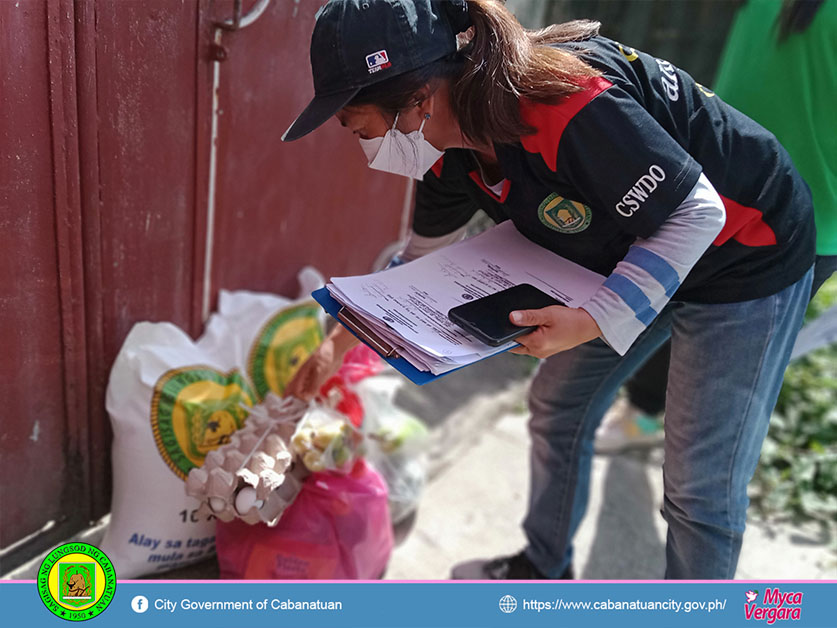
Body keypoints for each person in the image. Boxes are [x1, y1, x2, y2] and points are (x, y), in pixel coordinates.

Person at [282, 0, 815, 579]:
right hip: (637, 247)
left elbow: (694, 213)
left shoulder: (561, 102)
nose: (365, 147)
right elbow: (421, 260)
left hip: (745, 249)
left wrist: (593, 319)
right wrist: (336, 344)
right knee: (557, 407)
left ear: (419, 99)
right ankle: (542, 566)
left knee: (699, 488)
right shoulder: (443, 152)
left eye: (363, 127)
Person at [594, 0, 837, 454]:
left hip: (801, 222)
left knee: (721, 386)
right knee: (663, 306)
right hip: (715, 185)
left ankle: (683, 455)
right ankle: (645, 414)